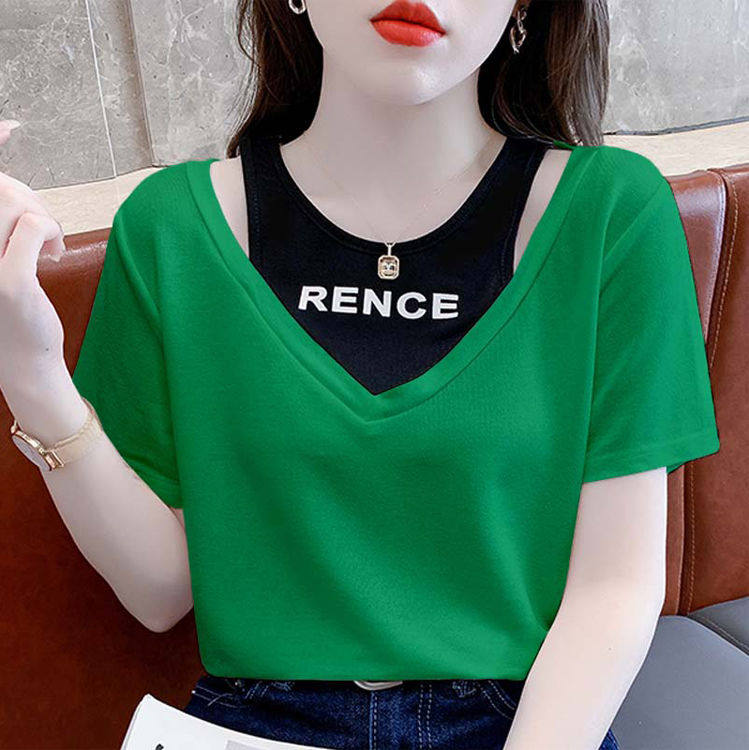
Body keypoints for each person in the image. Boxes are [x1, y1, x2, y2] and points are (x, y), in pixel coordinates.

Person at [0, 0, 721, 748]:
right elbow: (159, 591)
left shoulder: (611, 214)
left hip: (529, 723)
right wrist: (30, 372)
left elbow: (614, 589)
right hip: (256, 723)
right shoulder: (170, 229)